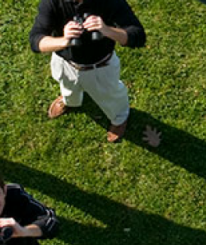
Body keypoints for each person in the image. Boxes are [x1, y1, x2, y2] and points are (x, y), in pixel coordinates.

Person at [29, 0, 146, 143]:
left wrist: (106, 30)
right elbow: (36, 40)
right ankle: (70, 102)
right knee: (67, 87)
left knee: (112, 96)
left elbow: (138, 36)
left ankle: (119, 118)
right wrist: (65, 41)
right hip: (65, 63)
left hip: (100, 67)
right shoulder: (52, 2)